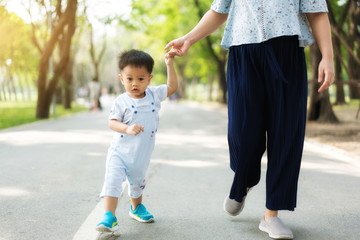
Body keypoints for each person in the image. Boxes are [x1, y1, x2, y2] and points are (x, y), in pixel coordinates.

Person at [165, 1, 334, 239]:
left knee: (286, 133)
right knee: (242, 132)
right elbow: (218, 11)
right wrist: (189, 38)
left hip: (287, 51)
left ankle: (271, 215)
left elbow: (317, 12)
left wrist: (328, 56)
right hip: (243, 51)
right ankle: (244, 179)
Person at [96, 49, 178, 233]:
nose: (135, 83)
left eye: (141, 79)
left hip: (141, 154)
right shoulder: (121, 101)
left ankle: (136, 207)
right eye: (129, 78)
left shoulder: (154, 95)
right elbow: (112, 122)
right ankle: (109, 215)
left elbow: (172, 87)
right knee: (113, 180)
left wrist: (169, 63)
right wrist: (127, 128)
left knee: (137, 182)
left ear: (149, 78)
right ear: (121, 78)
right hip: (120, 152)